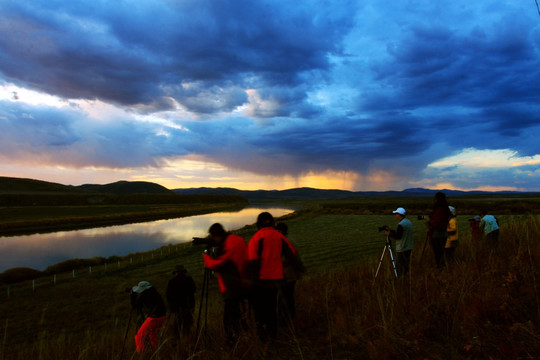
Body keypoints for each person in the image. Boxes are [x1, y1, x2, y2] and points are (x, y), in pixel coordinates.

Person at [248, 212, 298, 339]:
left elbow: (252, 261)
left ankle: (263, 337)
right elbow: (291, 252)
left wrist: (251, 280)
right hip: (277, 279)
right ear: (272, 222)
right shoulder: (279, 236)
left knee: (260, 309)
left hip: (260, 280)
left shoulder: (256, 238)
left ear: (258, 223)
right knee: (271, 307)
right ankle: (273, 334)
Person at [203, 223, 249, 344]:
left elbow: (217, 264)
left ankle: (233, 341)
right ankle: (245, 335)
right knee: (242, 313)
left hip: (232, 287)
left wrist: (206, 257)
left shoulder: (228, 245)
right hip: (244, 281)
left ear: (216, 236)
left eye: (213, 237)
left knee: (229, 318)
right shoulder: (238, 239)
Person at [275, 222, 305, 324]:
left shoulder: (283, 242)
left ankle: (285, 321)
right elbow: (296, 258)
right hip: (291, 274)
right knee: (288, 297)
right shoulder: (290, 240)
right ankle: (290, 318)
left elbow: (285, 260)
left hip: (285, 275)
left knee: (283, 298)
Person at [130, 281, 167, 353]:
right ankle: (157, 351)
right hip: (162, 317)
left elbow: (135, 306)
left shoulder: (145, 294)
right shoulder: (155, 292)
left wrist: (132, 296)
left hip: (153, 318)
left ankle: (141, 353)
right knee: (152, 334)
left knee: (139, 336)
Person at [166, 265, 196, 337]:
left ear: (175, 273)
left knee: (178, 325)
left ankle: (178, 339)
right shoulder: (188, 279)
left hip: (177, 307)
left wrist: (172, 307)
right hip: (188, 305)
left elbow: (168, 296)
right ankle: (188, 337)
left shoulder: (172, 282)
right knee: (188, 323)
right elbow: (193, 290)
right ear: (183, 272)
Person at [385, 207, 413, 276]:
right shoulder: (408, 222)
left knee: (399, 266)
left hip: (402, 248)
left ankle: (399, 279)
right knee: (406, 265)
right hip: (409, 247)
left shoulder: (401, 224)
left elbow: (398, 236)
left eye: (396, 214)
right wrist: (392, 231)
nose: (396, 215)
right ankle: (406, 277)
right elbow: (402, 233)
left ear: (399, 214)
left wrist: (389, 234)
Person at [427, 192, 451, 268]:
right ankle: (441, 267)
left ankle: (439, 268)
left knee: (437, 252)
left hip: (437, 234)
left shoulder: (439, 209)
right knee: (441, 252)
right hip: (444, 233)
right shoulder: (446, 209)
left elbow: (436, 222)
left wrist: (429, 221)